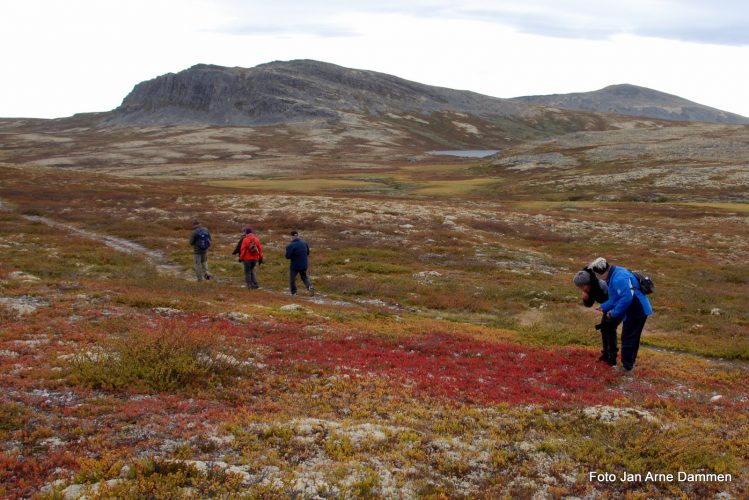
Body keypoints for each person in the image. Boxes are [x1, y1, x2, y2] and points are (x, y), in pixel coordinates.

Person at [590, 257, 653, 373]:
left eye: (598, 275)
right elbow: (616, 297)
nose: (598, 278)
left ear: (602, 273)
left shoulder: (618, 278)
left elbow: (626, 298)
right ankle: (629, 363)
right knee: (632, 337)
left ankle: (627, 368)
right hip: (637, 309)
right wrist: (604, 306)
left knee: (628, 338)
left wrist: (614, 313)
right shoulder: (615, 272)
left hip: (636, 310)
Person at [573, 267, 617, 365]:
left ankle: (612, 358)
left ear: (587, 284)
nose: (580, 289)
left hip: (617, 306)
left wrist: (609, 310)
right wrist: (586, 299)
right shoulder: (591, 288)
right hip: (608, 307)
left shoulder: (601, 286)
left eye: (581, 286)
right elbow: (589, 304)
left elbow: (614, 299)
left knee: (609, 329)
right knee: (604, 328)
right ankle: (606, 354)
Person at [285, 230, 314, 296]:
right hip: (304, 264)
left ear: (291, 237)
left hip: (295, 265)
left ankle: (294, 292)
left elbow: (287, 256)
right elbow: (308, 253)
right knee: (304, 277)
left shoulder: (291, 245)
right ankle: (310, 287)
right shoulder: (304, 243)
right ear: (298, 235)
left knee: (292, 279)